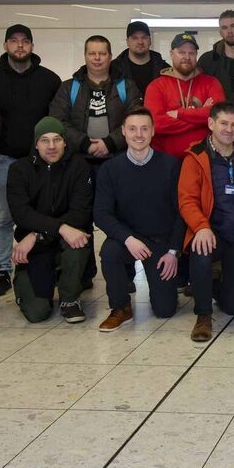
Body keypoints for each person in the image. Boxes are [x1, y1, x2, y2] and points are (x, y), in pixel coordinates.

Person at [49, 34, 140, 289]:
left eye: (102, 53)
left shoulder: (126, 87)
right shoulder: (70, 87)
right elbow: (59, 121)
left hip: (117, 161)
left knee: (120, 217)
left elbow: (135, 120)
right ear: (85, 56)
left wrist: (110, 143)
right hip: (79, 162)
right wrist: (86, 143)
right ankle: (84, 275)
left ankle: (125, 275)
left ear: (110, 57)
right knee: (81, 217)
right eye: (92, 53)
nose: (97, 58)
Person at [0, 24, 61, 305]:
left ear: (32, 45)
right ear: (5, 46)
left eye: (25, 41)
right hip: (4, 159)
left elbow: (56, 121)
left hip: (41, 162)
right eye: (14, 41)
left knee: (42, 214)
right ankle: (3, 269)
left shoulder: (49, 80)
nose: (19, 46)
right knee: (4, 217)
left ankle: (41, 262)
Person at [178, 102, 234, 342]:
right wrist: (201, 228)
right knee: (200, 251)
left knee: (232, 306)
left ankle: (211, 283)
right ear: (211, 124)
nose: (229, 129)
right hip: (211, 233)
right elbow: (186, 200)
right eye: (224, 123)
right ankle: (203, 314)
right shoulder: (196, 156)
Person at [93, 107, 185, 331]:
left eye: (144, 128)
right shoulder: (110, 169)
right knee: (109, 251)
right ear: (123, 131)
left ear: (153, 131)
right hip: (128, 239)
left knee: (165, 310)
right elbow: (101, 214)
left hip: (160, 242)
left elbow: (183, 211)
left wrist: (173, 252)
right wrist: (127, 239)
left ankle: (165, 288)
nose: (139, 134)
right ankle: (120, 307)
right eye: (132, 129)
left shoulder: (171, 165)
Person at [6, 117, 93, 324]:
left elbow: (80, 213)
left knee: (79, 238)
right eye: (45, 140)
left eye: (57, 139)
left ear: (65, 141)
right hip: (36, 250)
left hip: (62, 242)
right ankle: (29, 282)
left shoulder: (79, 166)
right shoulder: (19, 170)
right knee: (37, 314)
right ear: (36, 144)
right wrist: (59, 228)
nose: (52, 146)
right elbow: (22, 214)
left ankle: (70, 300)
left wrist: (38, 234)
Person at [145, 32, 226, 158]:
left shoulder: (211, 83)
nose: (187, 57)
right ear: (172, 54)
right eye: (182, 52)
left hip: (205, 159)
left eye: (191, 53)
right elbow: (156, 123)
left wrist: (180, 114)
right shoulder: (156, 86)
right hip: (166, 161)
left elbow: (219, 117)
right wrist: (201, 117)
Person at [197, 9, 234, 101]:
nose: (229, 31)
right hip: (218, 113)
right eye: (224, 28)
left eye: (233, 26)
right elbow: (198, 89)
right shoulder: (207, 60)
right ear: (220, 32)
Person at [113, 20, 170, 95]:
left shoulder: (165, 70)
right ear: (127, 41)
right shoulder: (114, 69)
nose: (140, 42)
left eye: (144, 37)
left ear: (150, 40)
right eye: (135, 38)